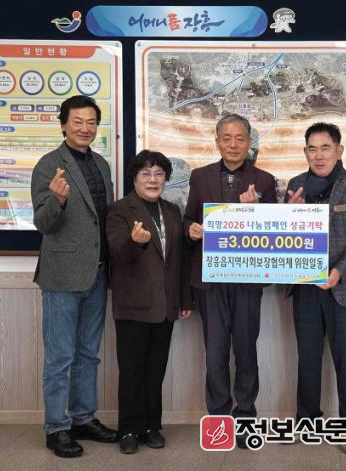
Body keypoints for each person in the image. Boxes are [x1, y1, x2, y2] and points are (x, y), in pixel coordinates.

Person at [183, 114, 277, 449]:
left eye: (240, 138)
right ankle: (219, 420)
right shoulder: (200, 176)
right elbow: (189, 219)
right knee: (215, 353)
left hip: (247, 280)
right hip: (210, 281)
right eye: (227, 138)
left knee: (246, 351)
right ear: (217, 141)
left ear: (249, 142)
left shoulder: (265, 180)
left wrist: (257, 211)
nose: (233, 144)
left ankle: (246, 416)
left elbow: (274, 232)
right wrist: (192, 230)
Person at [30, 95, 117, 458]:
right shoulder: (49, 165)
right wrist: (58, 200)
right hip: (63, 276)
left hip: (97, 273)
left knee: (88, 354)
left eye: (91, 122)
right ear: (63, 124)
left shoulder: (101, 164)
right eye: (77, 121)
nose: (85, 128)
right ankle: (56, 427)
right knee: (60, 358)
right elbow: (43, 223)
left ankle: (83, 418)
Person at [286, 122, 346, 454]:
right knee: (307, 359)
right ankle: (306, 420)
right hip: (306, 289)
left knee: (345, 360)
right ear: (305, 152)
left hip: (343, 288)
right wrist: (290, 215)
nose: (319, 155)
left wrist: (338, 271)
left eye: (325, 148)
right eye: (312, 148)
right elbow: (284, 236)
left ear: (339, 151)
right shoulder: (295, 185)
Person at [107, 150, 193, 454]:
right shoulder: (119, 210)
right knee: (132, 371)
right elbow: (118, 254)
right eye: (146, 174)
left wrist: (183, 298)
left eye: (159, 174)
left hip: (165, 305)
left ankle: (151, 426)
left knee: (156, 370)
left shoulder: (172, 210)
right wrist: (136, 243)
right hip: (133, 304)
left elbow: (179, 259)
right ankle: (129, 429)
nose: (153, 180)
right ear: (135, 178)